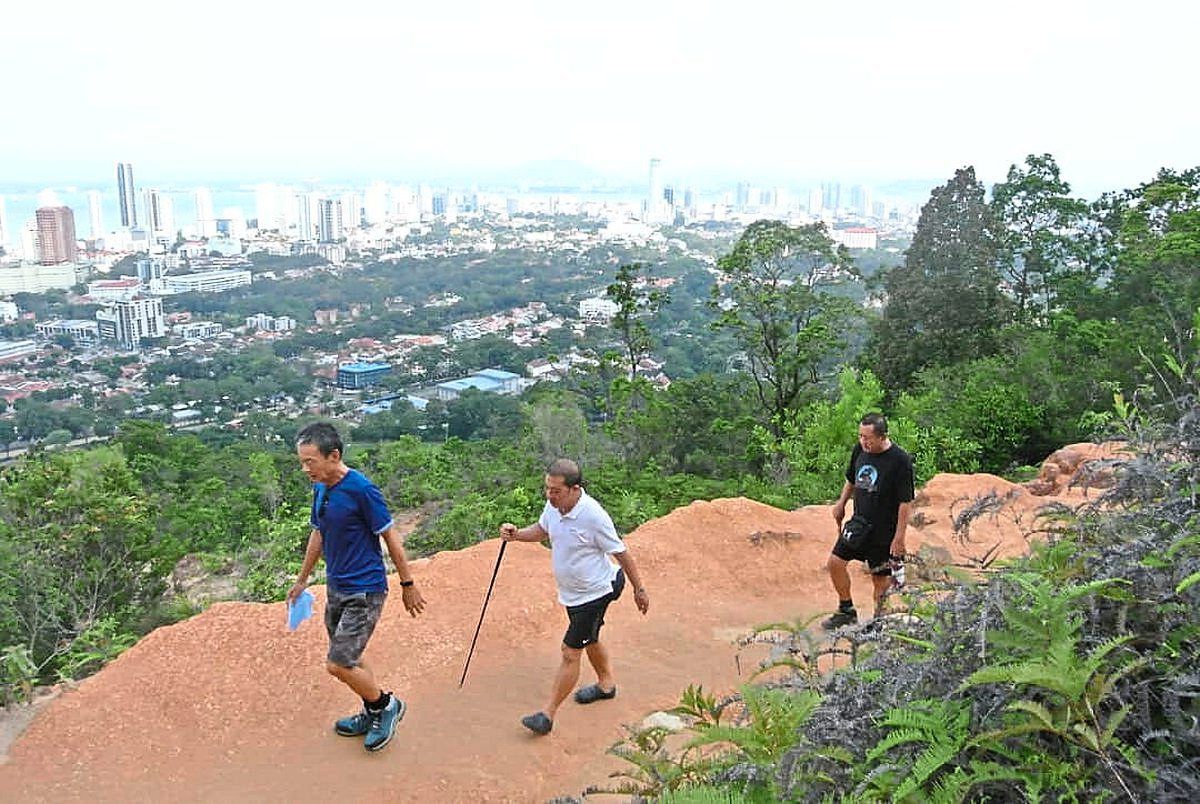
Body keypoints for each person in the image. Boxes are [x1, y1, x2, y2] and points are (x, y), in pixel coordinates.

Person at [287, 422, 426, 752]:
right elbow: (318, 533)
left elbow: (390, 536)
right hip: (337, 586)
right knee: (352, 656)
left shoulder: (362, 490)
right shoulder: (322, 487)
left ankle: (385, 706)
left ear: (333, 456)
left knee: (338, 663)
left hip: (365, 590)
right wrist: (302, 579)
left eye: (311, 461)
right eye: (302, 461)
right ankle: (371, 709)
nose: (305, 469)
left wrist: (408, 584)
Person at [499, 459, 649, 736]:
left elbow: (621, 552)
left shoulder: (593, 516)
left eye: (555, 490)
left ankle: (547, 715)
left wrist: (640, 589)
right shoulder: (554, 506)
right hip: (574, 594)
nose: (549, 495)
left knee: (571, 652)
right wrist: (517, 535)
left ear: (574, 488)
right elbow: (543, 530)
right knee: (589, 638)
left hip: (595, 592)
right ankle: (606, 685)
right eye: (547, 489)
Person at [824, 413, 913, 629]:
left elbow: (905, 502)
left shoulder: (900, 460)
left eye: (868, 438)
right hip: (859, 523)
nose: (863, 441)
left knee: (880, 581)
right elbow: (851, 479)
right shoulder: (860, 450)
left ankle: (878, 622)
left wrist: (899, 538)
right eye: (860, 436)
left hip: (884, 530)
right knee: (835, 563)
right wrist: (841, 503)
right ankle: (846, 610)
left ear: (883, 436)